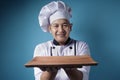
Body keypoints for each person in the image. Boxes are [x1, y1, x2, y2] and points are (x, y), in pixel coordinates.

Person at [33, 1, 90, 80]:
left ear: (70, 27)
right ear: (50, 28)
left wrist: (68, 68)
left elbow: (83, 78)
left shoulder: (81, 46)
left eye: (65, 25)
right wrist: (51, 71)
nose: (61, 30)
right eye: (56, 26)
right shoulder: (41, 48)